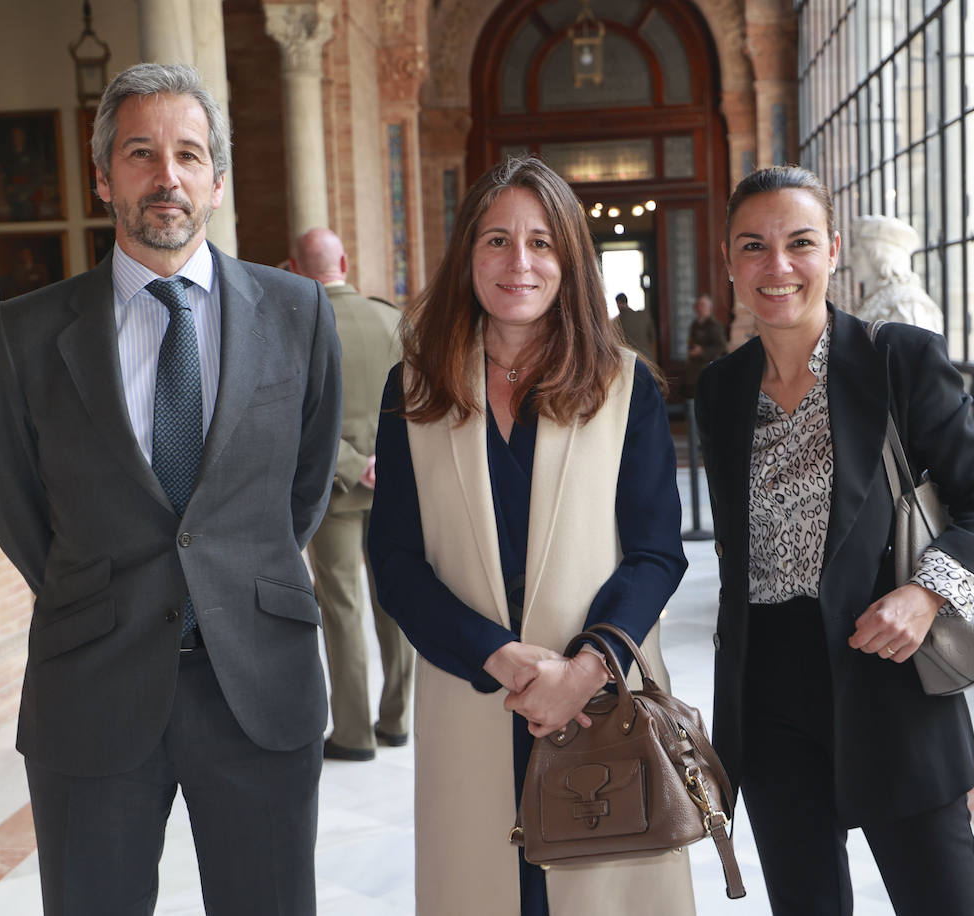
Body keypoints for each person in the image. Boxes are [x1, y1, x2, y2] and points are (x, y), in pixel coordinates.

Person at [0, 63, 342, 916]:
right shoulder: (27, 336)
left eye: (187, 154)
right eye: (141, 153)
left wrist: (230, 582)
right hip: (92, 686)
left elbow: (303, 490)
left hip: (259, 684)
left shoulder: (297, 313)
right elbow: (21, 511)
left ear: (217, 180)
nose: (165, 175)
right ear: (104, 177)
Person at [367, 157, 696, 915]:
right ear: (468, 257)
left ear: (569, 260)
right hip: (476, 692)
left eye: (542, 243)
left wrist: (586, 668)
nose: (520, 262)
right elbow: (396, 561)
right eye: (497, 241)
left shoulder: (625, 386)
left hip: (600, 697)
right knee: (483, 887)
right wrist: (500, 654)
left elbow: (655, 552)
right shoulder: (413, 387)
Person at [694, 165, 974, 915]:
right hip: (768, 694)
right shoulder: (721, 390)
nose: (778, 266)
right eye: (755, 246)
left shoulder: (897, 358)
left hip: (891, 676)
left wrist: (927, 591)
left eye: (799, 242)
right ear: (730, 260)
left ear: (833, 250)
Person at [291, 226, 413, 762]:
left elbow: (292, 416)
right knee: (397, 603)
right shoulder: (392, 319)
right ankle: (396, 720)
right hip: (393, 485)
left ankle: (353, 734)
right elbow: (423, 402)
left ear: (294, 269)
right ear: (344, 259)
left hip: (333, 491)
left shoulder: (298, 325)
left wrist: (351, 463)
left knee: (342, 608)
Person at [684, 292, 726, 395]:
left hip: (708, 371)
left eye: (702, 305)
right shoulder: (694, 325)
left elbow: (721, 347)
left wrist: (702, 351)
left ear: (709, 308)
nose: (699, 308)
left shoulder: (714, 326)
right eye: (698, 305)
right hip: (693, 372)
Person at [612, 291, 657, 363]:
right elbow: (653, 339)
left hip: (631, 363)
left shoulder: (616, 322)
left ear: (618, 303)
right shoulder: (644, 316)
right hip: (648, 360)